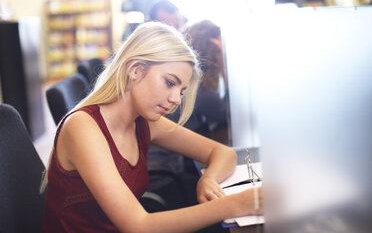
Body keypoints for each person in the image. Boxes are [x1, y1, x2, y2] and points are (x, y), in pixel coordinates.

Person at [40, 22, 263, 233]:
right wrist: (237, 204)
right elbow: (138, 225)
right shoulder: (82, 127)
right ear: (135, 69)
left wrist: (209, 179)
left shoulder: (144, 122)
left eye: (181, 90)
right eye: (170, 83)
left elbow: (222, 152)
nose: (176, 99)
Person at [183, 19, 230, 145]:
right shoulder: (198, 88)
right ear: (213, 48)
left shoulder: (189, 78)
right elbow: (226, 115)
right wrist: (224, 64)